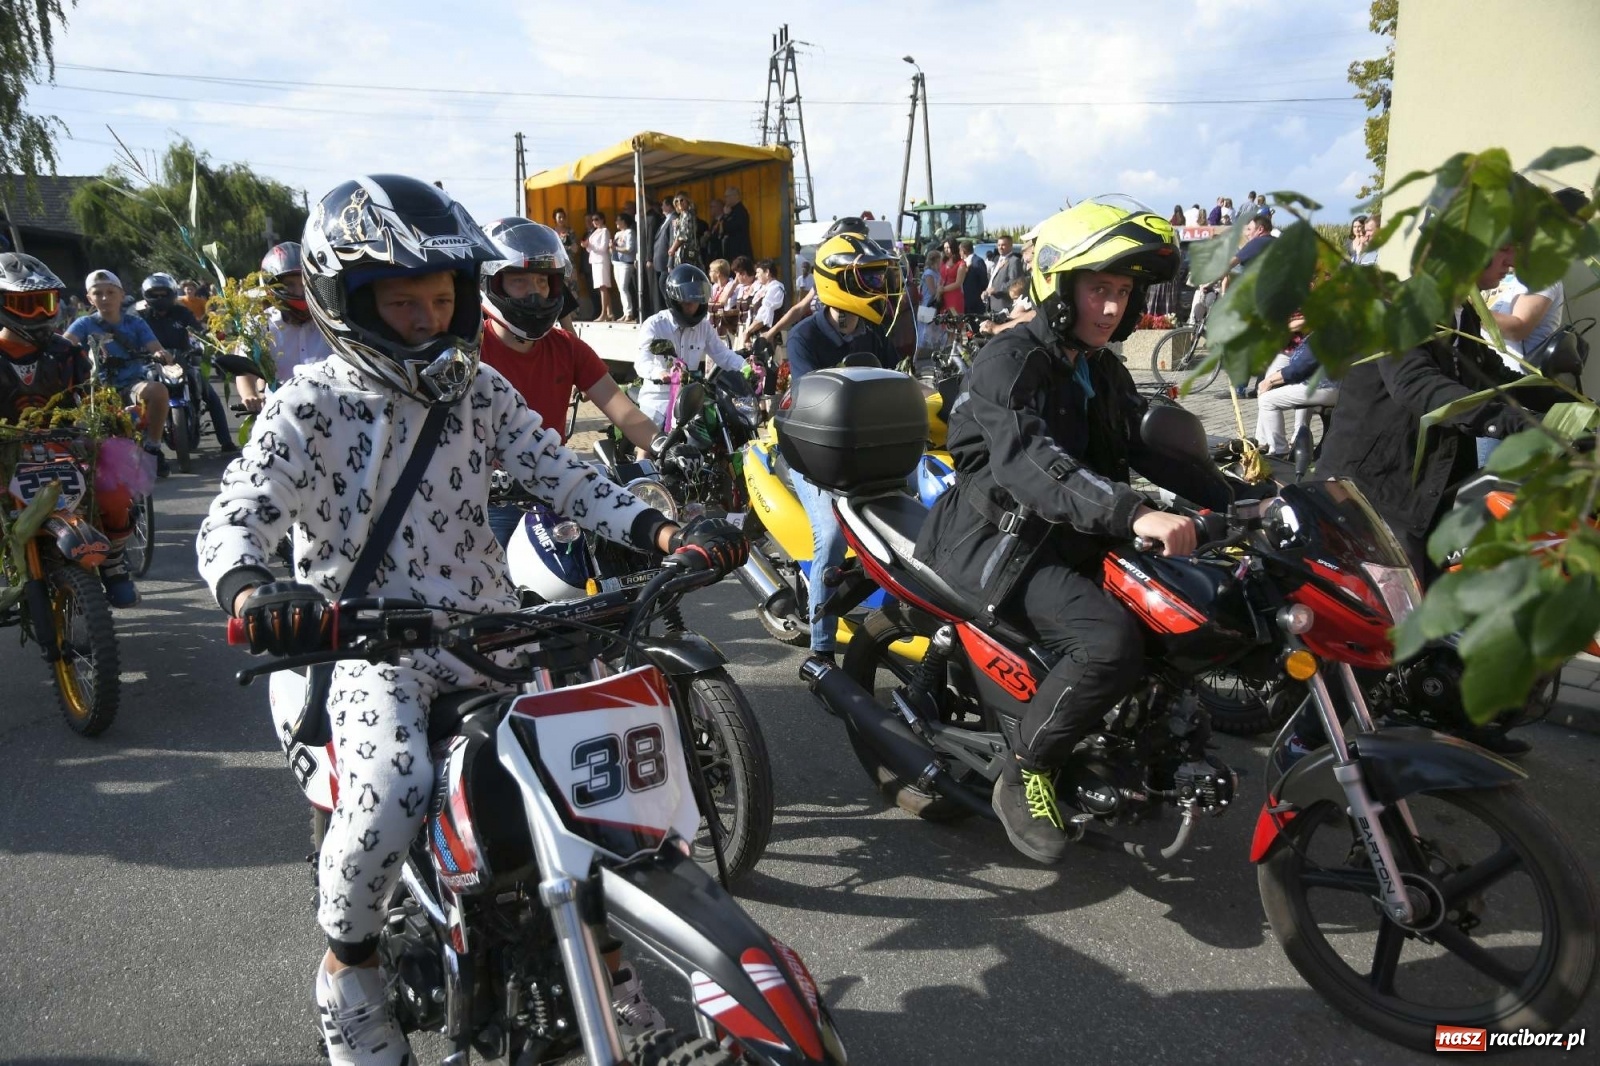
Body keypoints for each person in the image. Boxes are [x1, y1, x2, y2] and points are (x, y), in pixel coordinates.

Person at [196, 176, 747, 1066]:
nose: (426, 320)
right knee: (395, 785)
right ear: (346, 299)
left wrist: (663, 530)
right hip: (369, 646)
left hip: (493, 631)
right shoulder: (306, 403)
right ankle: (349, 975)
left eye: (441, 299)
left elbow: (562, 474)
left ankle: (610, 972)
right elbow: (236, 515)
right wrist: (254, 592)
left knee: (596, 781)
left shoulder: (480, 388)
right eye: (401, 302)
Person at [913, 197, 1198, 864]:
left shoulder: (1099, 366)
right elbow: (1032, 462)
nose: (1112, 307)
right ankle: (1026, 772)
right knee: (1107, 645)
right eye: (1100, 289)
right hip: (1001, 545)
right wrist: (1136, 513)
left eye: (1123, 292)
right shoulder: (1010, 360)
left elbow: (1148, 448)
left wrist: (1246, 499)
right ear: (1061, 287)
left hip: (1071, 535)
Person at [478, 217, 659, 548]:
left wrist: (667, 446)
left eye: (542, 281)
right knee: (495, 576)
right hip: (492, 499)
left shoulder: (567, 347)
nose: (535, 293)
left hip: (557, 489)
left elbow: (625, 413)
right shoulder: (471, 351)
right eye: (519, 281)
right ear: (493, 283)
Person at [0, 252, 141, 607]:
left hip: (65, 448)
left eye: (45, 302)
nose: (38, 313)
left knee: (115, 493)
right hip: (3, 456)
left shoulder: (66, 352)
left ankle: (113, 560)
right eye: (25, 304)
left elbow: (91, 397)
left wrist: (114, 416)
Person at [787, 232, 900, 660]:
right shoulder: (803, 337)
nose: (877, 286)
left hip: (868, 449)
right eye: (867, 278)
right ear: (837, 282)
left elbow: (897, 382)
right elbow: (812, 402)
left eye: (877, 277)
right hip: (812, 451)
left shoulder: (874, 333)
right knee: (832, 538)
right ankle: (820, 653)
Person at [65, 269, 176, 478]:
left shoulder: (136, 323)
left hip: (132, 385)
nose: (104, 298)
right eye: (98, 293)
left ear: (121, 295)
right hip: (94, 392)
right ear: (89, 298)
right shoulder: (84, 324)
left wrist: (161, 354)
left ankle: (152, 447)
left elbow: (155, 347)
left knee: (158, 390)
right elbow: (63, 345)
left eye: (110, 292)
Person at [135, 271, 237, 459]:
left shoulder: (182, 313)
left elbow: (198, 330)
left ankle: (226, 441)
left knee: (209, 393)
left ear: (172, 293)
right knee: (140, 396)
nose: (160, 298)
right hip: (152, 363)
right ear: (146, 295)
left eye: (164, 293)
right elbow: (132, 335)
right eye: (155, 294)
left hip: (183, 359)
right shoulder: (141, 317)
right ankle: (142, 447)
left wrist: (208, 338)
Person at [635, 263, 747, 431]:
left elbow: (723, 354)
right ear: (674, 299)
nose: (692, 306)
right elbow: (642, 361)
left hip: (690, 399)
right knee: (649, 436)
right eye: (687, 302)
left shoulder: (704, 327)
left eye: (696, 301)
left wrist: (746, 367)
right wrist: (659, 373)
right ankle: (644, 450)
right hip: (657, 399)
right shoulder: (654, 325)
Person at [235, 243, 335, 414]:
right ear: (273, 287)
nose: (299, 292)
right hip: (279, 413)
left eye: (303, 283)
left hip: (331, 410)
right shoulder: (260, 325)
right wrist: (250, 395)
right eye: (290, 285)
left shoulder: (332, 322)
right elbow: (245, 368)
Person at [1254, 314, 1338, 455]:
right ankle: (1267, 441)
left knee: (1266, 400)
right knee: (1271, 389)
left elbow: (1299, 368)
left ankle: (1280, 451)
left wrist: (1270, 380)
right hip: (1334, 385)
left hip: (1326, 387)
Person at [738, 259, 785, 348]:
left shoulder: (775, 288)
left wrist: (748, 332)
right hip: (756, 337)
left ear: (767, 272)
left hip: (766, 338)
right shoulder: (762, 288)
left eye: (758, 272)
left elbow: (763, 317)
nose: (756, 276)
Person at [982, 234, 1026, 314]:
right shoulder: (998, 260)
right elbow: (993, 280)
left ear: (1010, 246)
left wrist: (996, 289)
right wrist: (986, 291)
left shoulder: (1014, 261)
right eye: (998, 245)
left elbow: (1014, 283)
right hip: (992, 304)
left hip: (1004, 305)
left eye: (1003, 245)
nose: (1000, 247)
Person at [586, 211, 616, 321]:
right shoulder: (595, 232)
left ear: (602, 220)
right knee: (602, 287)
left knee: (603, 286)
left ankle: (603, 313)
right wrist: (587, 245)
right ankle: (609, 313)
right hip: (595, 261)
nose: (594, 222)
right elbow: (589, 249)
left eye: (596, 219)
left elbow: (603, 248)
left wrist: (591, 246)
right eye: (593, 220)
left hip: (602, 261)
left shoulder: (605, 231)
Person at [612, 211, 637, 322]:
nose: (616, 222)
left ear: (624, 221)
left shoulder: (630, 232)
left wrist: (616, 248)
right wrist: (612, 248)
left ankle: (629, 312)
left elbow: (630, 248)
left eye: (618, 220)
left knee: (623, 287)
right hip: (616, 262)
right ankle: (625, 312)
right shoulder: (617, 234)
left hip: (626, 263)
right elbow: (614, 248)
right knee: (620, 288)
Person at [668, 193, 703, 269]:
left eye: (682, 200)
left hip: (687, 251)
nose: (679, 203)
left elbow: (683, 235)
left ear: (688, 201)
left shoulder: (687, 215)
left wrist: (673, 248)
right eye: (676, 201)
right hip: (682, 252)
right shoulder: (681, 216)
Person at [721, 185, 753, 263]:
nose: (725, 199)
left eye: (727, 196)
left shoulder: (740, 211)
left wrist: (726, 216)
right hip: (733, 251)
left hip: (739, 250)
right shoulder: (732, 210)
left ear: (734, 196)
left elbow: (729, 228)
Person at [959, 240, 988, 321]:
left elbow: (983, 280)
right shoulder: (962, 262)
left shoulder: (978, 261)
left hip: (975, 301)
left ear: (963, 251)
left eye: (960, 251)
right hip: (964, 300)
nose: (959, 253)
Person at [938, 238, 966, 315]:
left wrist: (943, 289)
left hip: (954, 296)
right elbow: (941, 277)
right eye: (945, 248)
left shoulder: (961, 263)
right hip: (942, 296)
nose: (946, 250)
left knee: (954, 318)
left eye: (948, 247)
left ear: (953, 248)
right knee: (943, 318)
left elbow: (958, 283)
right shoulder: (944, 261)